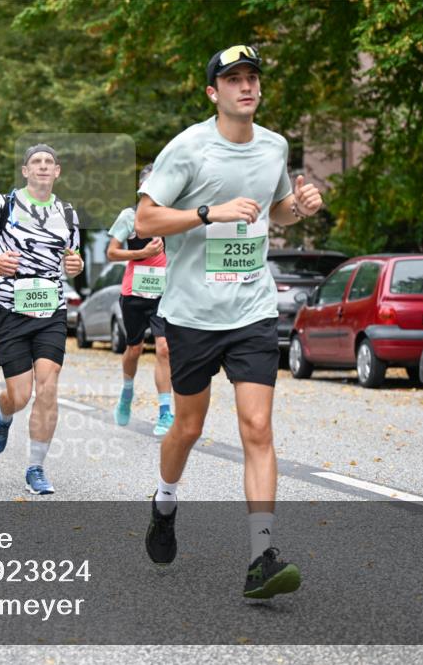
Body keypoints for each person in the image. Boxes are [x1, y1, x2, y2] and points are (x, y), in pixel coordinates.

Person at [136, 45, 323, 599]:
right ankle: (165, 501)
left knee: (257, 429)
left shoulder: (274, 147)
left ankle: (261, 556)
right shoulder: (189, 147)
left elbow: (277, 210)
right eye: (233, 79)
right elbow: (146, 218)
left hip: (252, 310)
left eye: (252, 78)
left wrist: (301, 207)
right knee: (188, 428)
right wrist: (206, 213)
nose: (246, 86)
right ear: (213, 92)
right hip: (193, 313)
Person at [0, 144, 84, 495]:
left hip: (51, 310)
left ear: (57, 172)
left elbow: (74, 259)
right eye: (35, 162)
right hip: (11, 308)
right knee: (20, 395)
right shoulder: (3, 205)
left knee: (48, 386)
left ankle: (36, 467)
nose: (42, 167)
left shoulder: (67, 213)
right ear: (25, 171)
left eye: (48, 162)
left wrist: (77, 266)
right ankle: (4, 413)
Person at [107, 164, 175, 435]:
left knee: (164, 348)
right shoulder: (130, 217)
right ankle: (126, 392)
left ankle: (164, 411)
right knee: (134, 349)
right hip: (134, 293)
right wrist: (142, 253)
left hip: (163, 294)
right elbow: (112, 253)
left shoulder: (172, 217)